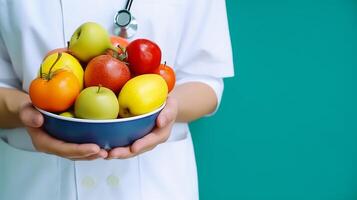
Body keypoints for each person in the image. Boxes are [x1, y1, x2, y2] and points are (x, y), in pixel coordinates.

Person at [0, 0, 234, 199]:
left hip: (153, 185)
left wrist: (167, 109)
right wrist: (25, 111)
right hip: (39, 184)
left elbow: (205, 80)